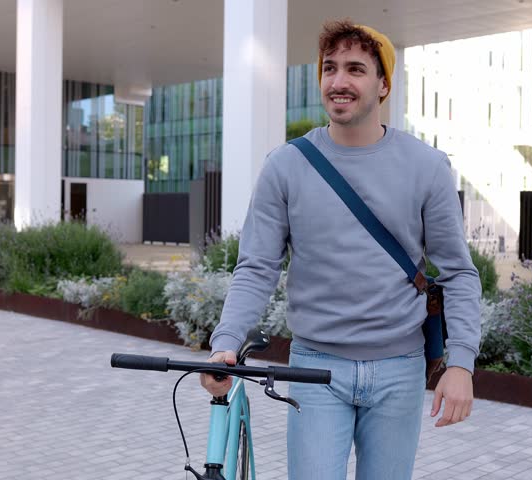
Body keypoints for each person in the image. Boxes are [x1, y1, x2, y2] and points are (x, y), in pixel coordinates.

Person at [201, 19, 481, 480]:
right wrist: (225, 344)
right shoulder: (285, 167)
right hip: (315, 367)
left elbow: (458, 273)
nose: (338, 81)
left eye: (355, 69)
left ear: (383, 84)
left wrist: (462, 364)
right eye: (329, 68)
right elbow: (256, 267)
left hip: (399, 369)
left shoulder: (427, 167)